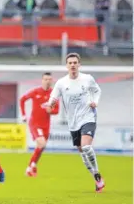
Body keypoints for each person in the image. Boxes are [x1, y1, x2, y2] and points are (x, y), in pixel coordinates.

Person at [46, 53, 105, 192]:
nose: (72, 65)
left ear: (79, 65)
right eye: (70, 63)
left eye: (75, 62)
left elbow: (97, 91)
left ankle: (97, 174)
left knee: (86, 147)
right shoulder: (61, 83)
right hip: (73, 122)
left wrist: (95, 102)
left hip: (88, 117)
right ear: (67, 66)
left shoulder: (87, 79)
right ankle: (95, 177)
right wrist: (51, 103)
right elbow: (53, 97)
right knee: (82, 153)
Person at [20, 72, 59, 177]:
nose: (47, 81)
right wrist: (24, 115)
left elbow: (57, 110)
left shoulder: (54, 95)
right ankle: (29, 168)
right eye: (45, 79)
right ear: (42, 80)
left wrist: (50, 111)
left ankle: (33, 166)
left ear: (52, 81)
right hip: (34, 123)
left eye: (49, 79)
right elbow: (22, 99)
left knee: (41, 146)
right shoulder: (35, 91)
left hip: (46, 125)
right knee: (41, 143)